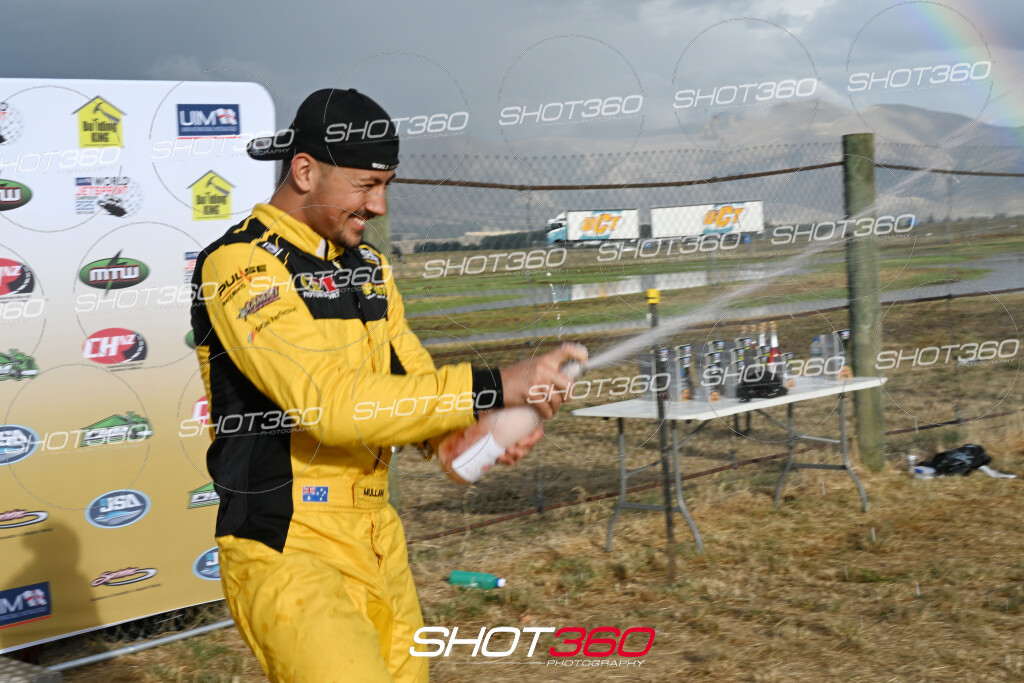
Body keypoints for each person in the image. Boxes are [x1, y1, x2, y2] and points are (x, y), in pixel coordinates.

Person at [190, 88, 586, 683]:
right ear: (305, 171)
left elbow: (412, 381)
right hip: (289, 542)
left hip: (377, 538)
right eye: (365, 185)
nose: (377, 204)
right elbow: (327, 405)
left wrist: (459, 437)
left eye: (386, 185)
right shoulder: (242, 264)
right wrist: (494, 386)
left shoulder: (369, 269)